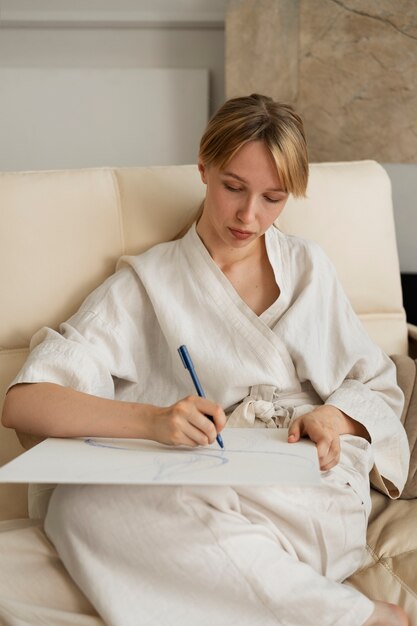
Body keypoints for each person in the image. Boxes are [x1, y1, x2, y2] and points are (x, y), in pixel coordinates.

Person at [2, 94, 410, 626]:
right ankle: (343, 614)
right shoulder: (148, 284)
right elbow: (26, 402)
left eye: (273, 198)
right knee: (76, 510)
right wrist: (152, 420)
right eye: (233, 187)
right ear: (203, 167)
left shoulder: (308, 268)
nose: (249, 216)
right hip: (189, 481)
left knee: (82, 521)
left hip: (306, 485)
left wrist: (332, 418)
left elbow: (375, 385)